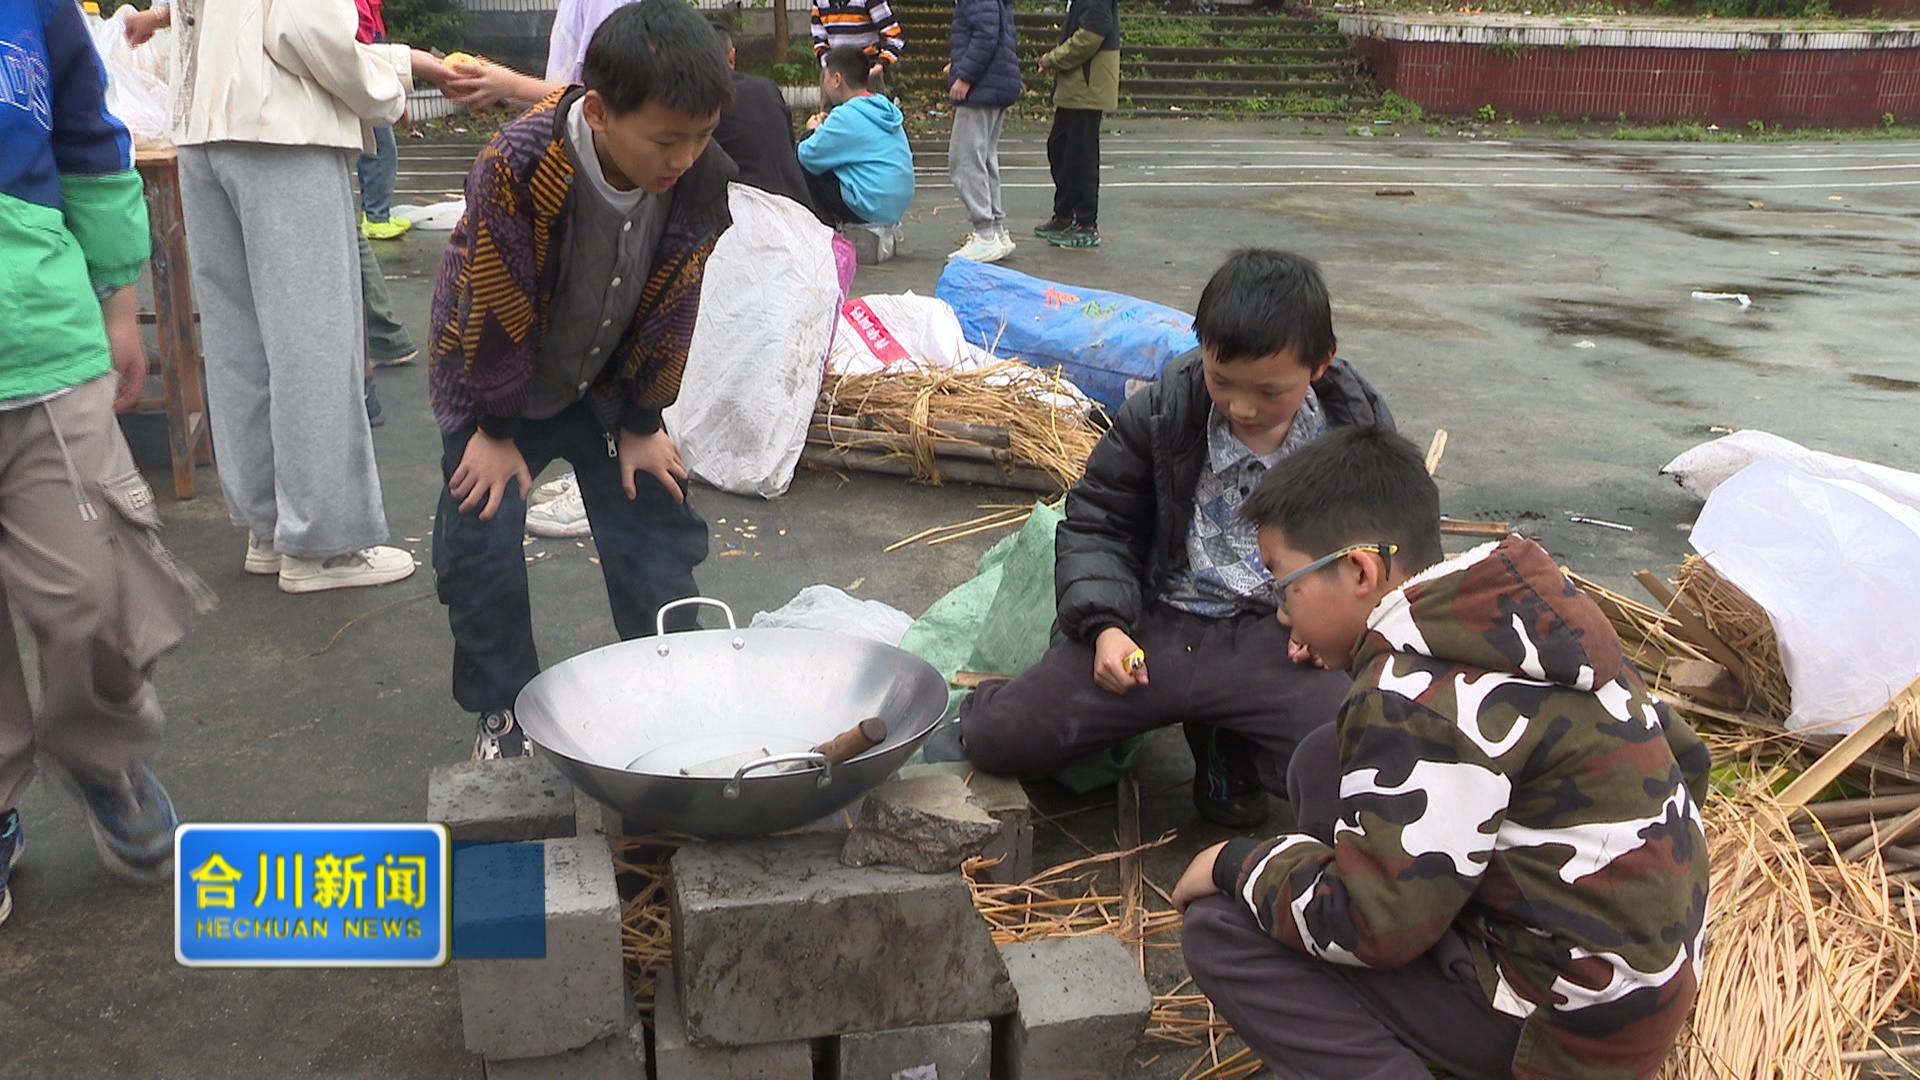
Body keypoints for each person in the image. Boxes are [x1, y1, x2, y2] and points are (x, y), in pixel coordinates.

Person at [1172, 427, 1710, 1080]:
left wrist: (1235, 863)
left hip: (1566, 1038)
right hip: (1640, 991)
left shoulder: (1411, 692)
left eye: (1286, 587)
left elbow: (1372, 927)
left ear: (1360, 571)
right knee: (1324, 759)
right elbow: (1689, 760)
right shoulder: (1529, 623)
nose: (1282, 615)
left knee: (1221, 930)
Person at [940, 250, 1392, 828]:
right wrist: (1104, 627)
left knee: (1355, 769)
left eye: (1268, 391)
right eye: (1222, 380)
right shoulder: (1162, 412)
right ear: (1200, 345)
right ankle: (1176, 712)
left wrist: (1332, 627)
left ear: (1320, 364)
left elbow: (1382, 556)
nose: (1242, 406)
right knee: (999, 738)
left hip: (1278, 642)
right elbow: (1100, 521)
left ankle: (1226, 740)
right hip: (1156, 628)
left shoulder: (1354, 437)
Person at [426, 0, 734, 761]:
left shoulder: (701, 180)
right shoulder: (518, 164)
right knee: (480, 546)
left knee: (656, 521)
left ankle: (672, 679)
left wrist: (643, 417)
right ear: (597, 111)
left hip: (602, 385)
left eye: (700, 137)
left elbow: (676, 302)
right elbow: (492, 299)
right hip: (495, 384)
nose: (683, 158)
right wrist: (493, 431)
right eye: (667, 140)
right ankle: (503, 711)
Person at [2, 0, 216, 920]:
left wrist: (119, 300)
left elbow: (90, 138)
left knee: (95, 588)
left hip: (40, 337)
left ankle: (97, 750)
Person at [127, 1, 452, 593]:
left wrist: (407, 63)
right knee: (313, 341)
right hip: (283, 130)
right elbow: (303, 30)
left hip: (203, 133)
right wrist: (388, 92)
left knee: (237, 343)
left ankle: (270, 526)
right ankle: (322, 545)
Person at [797, 46, 913, 229]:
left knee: (802, 167)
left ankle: (824, 234)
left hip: (868, 206)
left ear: (837, 79)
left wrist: (812, 131)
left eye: (825, 76)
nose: (824, 83)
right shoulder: (882, 106)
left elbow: (807, 155)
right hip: (894, 205)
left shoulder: (845, 116)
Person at [1032, 0, 1117, 250]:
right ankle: (1065, 214)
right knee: (1060, 147)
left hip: (1088, 87)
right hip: (1075, 86)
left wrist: (1053, 59)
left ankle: (1086, 223)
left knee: (1081, 154)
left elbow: (1091, 35)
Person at [944, 0, 1019, 263]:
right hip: (997, 81)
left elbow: (986, 34)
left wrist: (965, 76)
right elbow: (995, 33)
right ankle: (996, 229)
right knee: (985, 158)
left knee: (965, 159)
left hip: (982, 87)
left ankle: (985, 233)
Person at [713, 25, 816, 214]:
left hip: (746, 215)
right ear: (731, 56)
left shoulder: (698, 101)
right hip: (798, 205)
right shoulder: (766, 88)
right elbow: (789, 143)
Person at [356, 0, 410, 241]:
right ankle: (376, 217)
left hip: (371, 63)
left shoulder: (371, 6)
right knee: (381, 148)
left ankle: (376, 213)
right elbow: (365, 43)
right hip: (367, 72)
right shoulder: (360, 6)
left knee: (376, 147)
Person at [810, 0, 904, 91]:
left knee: (870, 106)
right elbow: (819, 41)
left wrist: (879, 66)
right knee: (830, 106)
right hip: (833, 74)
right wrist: (828, 67)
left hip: (866, 74)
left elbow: (895, 38)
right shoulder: (820, 2)